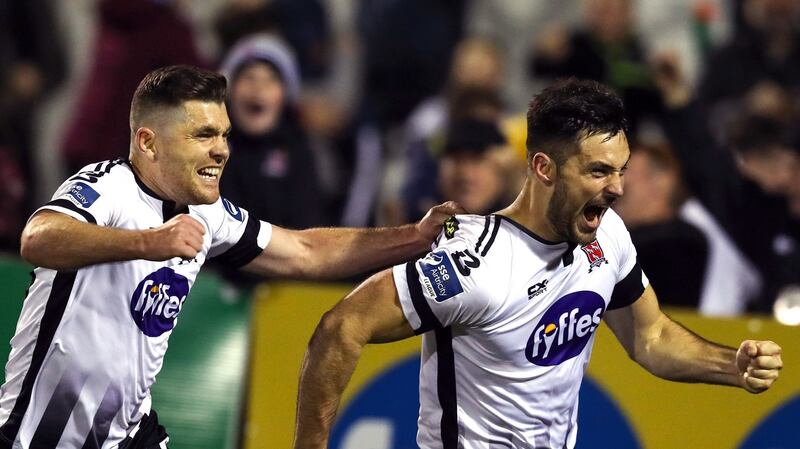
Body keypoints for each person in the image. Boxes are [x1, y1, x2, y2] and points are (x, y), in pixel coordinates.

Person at [292, 79, 783, 449]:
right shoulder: (473, 264)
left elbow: (651, 338)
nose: (617, 189)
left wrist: (731, 365)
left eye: (620, 170)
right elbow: (340, 328)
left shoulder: (608, 234)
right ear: (544, 167)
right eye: (597, 171)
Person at [0, 65, 460, 449]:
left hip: (128, 436)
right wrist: (146, 243)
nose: (221, 149)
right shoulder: (108, 187)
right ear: (148, 142)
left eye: (223, 133)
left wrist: (414, 237)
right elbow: (38, 237)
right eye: (203, 135)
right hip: (37, 436)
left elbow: (304, 252)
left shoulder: (209, 213)